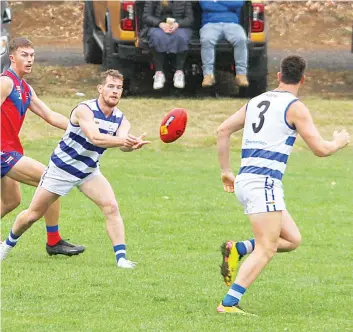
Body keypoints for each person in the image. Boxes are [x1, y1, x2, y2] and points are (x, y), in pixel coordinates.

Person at [216, 55, 350, 315]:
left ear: (278, 76)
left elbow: (222, 130)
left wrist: (225, 171)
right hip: (263, 181)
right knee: (267, 248)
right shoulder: (295, 107)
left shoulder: (256, 101)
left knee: (292, 239)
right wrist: (339, 142)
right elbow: (320, 149)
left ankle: (239, 248)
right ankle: (229, 304)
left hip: (247, 179)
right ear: (303, 79)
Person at [0, 69, 150, 269]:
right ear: (100, 89)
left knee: (111, 206)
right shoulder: (84, 110)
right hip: (61, 170)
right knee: (32, 216)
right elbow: (95, 138)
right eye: (111, 86)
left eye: (119, 88)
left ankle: (121, 258)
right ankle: (6, 246)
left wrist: (131, 145)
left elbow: (122, 145)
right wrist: (123, 140)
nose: (115, 91)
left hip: (88, 171)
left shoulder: (121, 119)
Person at [0, 37, 85, 256]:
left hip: (11, 150)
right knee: (49, 179)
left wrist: (82, 129)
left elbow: (50, 116)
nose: (29, 60)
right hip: (3, 152)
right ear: (12, 57)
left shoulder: (26, 88)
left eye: (32, 55)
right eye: (24, 55)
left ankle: (54, 241)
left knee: (11, 201)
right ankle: (54, 241)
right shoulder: (5, 82)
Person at [142, 0, 193, 90]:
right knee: (157, 37)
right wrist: (160, 24)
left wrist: (178, 24)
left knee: (182, 37)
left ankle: (179, 72)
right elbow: (146, 16)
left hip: (179, 27)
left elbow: (190, 19)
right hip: (157, 26)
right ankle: (159, 73)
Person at [199, 0, 248, 88]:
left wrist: (217, 1)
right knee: (206, 40)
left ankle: (241, 75)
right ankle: (208, 75)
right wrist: (228, 5)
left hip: (232, 24)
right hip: (210, 24)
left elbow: (239, 3)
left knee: (241, 39)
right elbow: (205, 5)